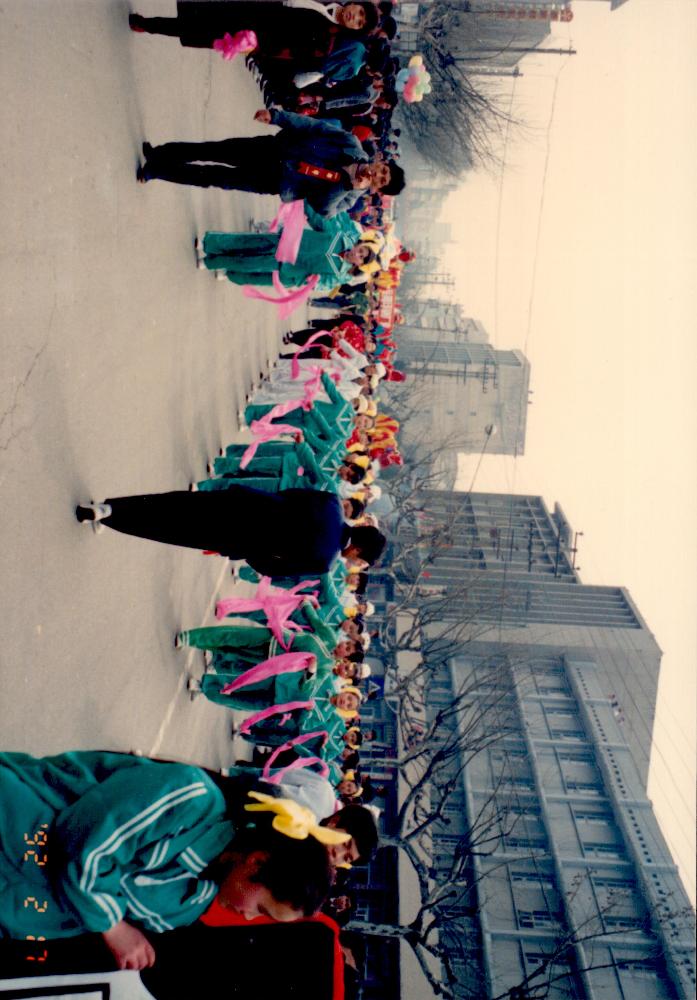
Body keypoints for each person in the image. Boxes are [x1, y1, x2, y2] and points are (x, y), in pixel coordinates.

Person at [0, 751, 337, 970]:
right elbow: (83, 845)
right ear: (257, 863)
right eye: (261, 909)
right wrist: (113, 927)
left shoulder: (193, 903)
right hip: (14, 828)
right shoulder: (191, 798)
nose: (248, 917)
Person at [138, 109, 404, 216]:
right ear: (381, 162)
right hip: (273, 150)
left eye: (381, 181)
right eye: (383, 170)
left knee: (213, 177)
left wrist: (347, 185)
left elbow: (321, 208)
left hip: (275, 181)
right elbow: (312, 126)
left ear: (378, 188)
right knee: (212, 150)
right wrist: (277, 116)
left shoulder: (350, 198)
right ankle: (159, 153)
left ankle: (157, 171)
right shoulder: (350, 144)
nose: (377, 175)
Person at [75, 486, 386, 576]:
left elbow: (291, 493)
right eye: (359, 560)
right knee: (169, 529)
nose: (353, 562)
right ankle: (108, 519)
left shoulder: (331, 502)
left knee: (174, 504)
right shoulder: (324, 563)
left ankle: (109, 507)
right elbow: (272, 568)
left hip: (248, 502)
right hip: (240, 537)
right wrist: (250, 552)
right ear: (357, 550)